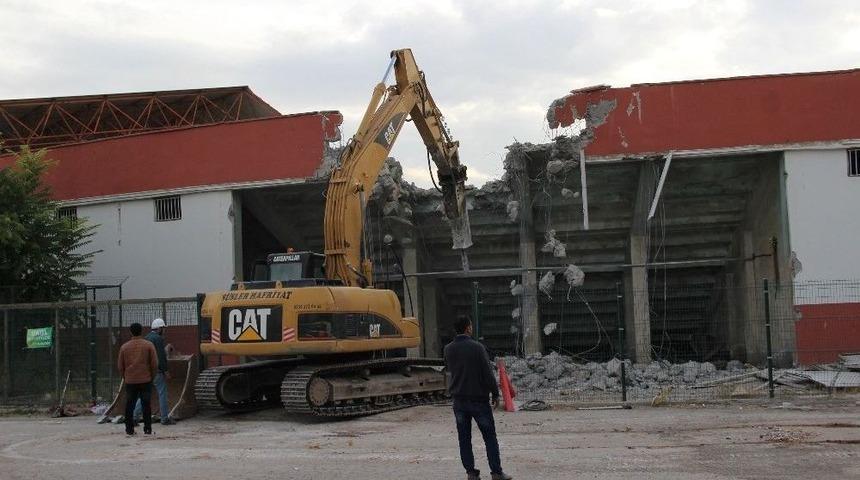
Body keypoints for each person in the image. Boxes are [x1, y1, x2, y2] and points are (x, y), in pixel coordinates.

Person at [443, 315, 512, 480]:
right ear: (468, 328)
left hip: (459, 400)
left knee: (464, 439)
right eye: (471, 326)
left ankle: (471, 473)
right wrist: (495, 393)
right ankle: (496, 472)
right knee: (489, 436)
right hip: (478, 400)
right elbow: (487, 373)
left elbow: (450, 371)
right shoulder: (478, 348)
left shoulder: (448, 349)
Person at [117, 322, 157, 435]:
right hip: (145, 379)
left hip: (130, 380)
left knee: (130, 405)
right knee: (146, 405)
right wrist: (151, 376)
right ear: (141, 331)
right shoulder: (148, 345)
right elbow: (154, 364)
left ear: (130, 332)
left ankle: (129, 429)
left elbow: (120, 366)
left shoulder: (124, 347)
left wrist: (125, 377)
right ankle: (147, 428)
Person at [134, 318, 175, 425]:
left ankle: (134, 416)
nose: (164, 331)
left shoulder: (146, 338)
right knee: (162, 393)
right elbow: (161, 356)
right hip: (157, 371)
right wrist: (165, 370)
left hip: (146, 371)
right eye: (163, 328)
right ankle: (164, 418)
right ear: (159, 328)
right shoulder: (158, 339)